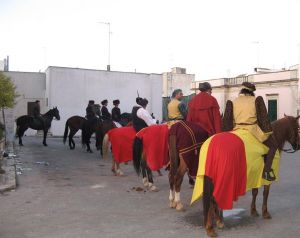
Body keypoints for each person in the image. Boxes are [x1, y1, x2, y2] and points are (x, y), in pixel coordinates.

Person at [223, 82, 277, 181]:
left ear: (242, 90)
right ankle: (266, 171)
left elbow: (228, 120)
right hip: (252, 129)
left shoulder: (233, 101)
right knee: (273, 145)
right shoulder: (255, 100)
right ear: (252, 92)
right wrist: (268, 131)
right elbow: (263, 118)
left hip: (237, 129)